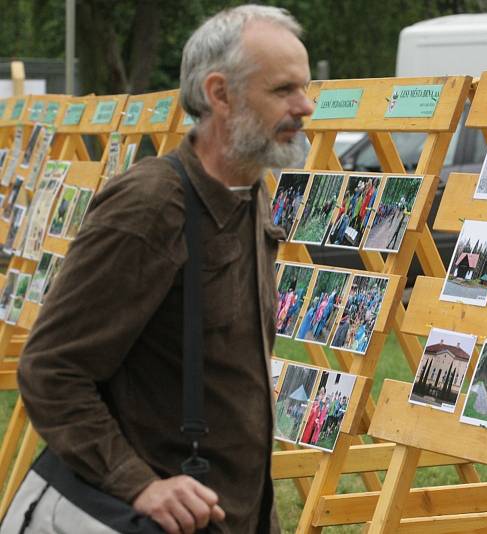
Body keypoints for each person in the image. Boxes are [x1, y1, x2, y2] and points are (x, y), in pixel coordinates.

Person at [9, 5, 313, 534]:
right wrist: (138, 484)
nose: (305, 105)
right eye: (284, 90)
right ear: (220, 94)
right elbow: (51, 370)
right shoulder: (151, 205)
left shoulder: (251, 193)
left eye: (305, 87)